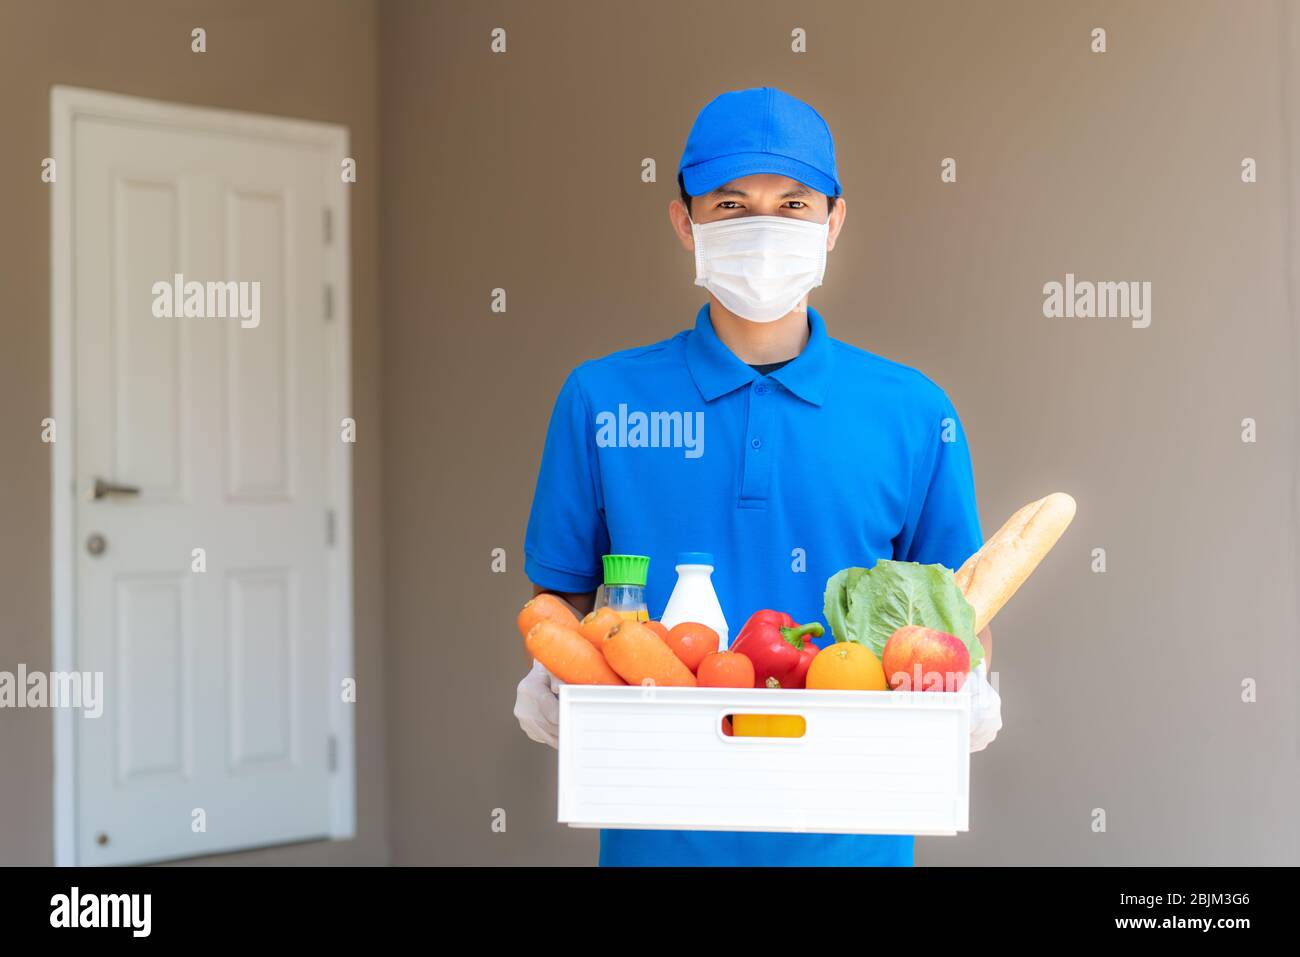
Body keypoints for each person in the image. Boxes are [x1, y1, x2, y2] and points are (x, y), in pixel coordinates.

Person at [514, 86, 1001, 866]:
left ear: (834, 223)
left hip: (853, 836)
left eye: (793, 205)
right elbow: (560, 596)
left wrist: (971, 674)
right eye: (732, 205)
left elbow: (960, 603)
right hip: (658, 833)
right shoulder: (603, 399)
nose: (764, 228)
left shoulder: (913, 411)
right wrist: (549, 665)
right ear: (685, 222)